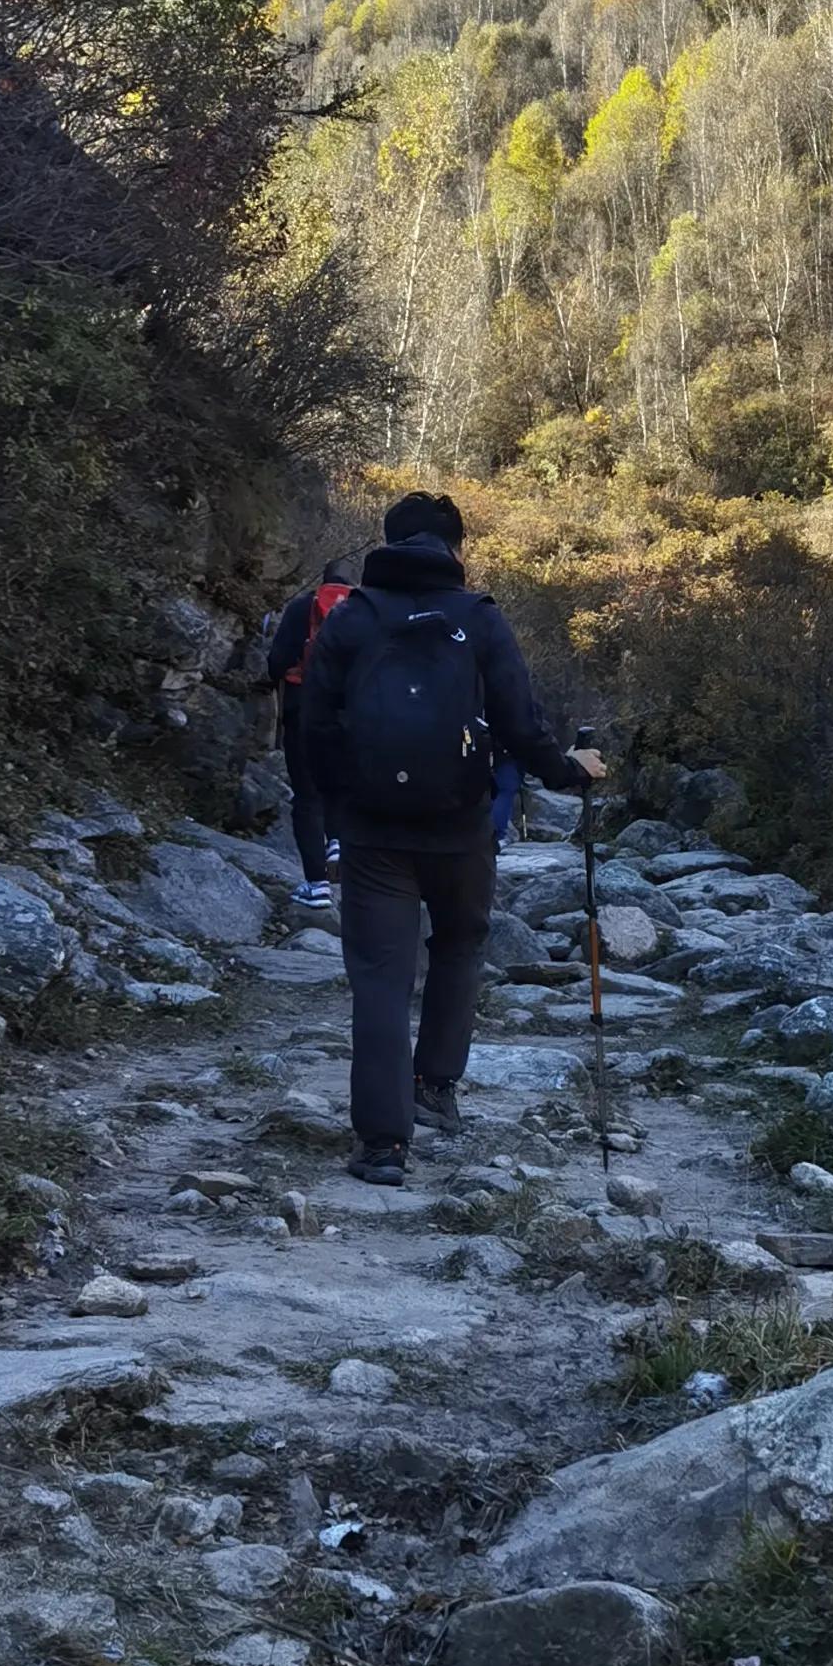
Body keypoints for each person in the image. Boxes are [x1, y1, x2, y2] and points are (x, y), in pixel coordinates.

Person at [298, 491, 602, 1184]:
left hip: (374, 830)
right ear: (455, 549)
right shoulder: (478, 618)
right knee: (459, 947)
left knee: (380, 978)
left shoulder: (351, 619)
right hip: (461, 825)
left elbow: (312, 728)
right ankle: (435, 1087)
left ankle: (382, 1145)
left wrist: (341, 809)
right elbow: (522, 723)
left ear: (390, 543)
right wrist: (569, 773)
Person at [263, 558, 355, 908]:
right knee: (340, 786)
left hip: (303, 707)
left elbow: (278, 660)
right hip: (350, 715)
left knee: (307, 795)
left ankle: (317, 885)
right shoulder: (366, 612)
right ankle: (337, 842)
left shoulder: (303, 607)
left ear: (323, 579)